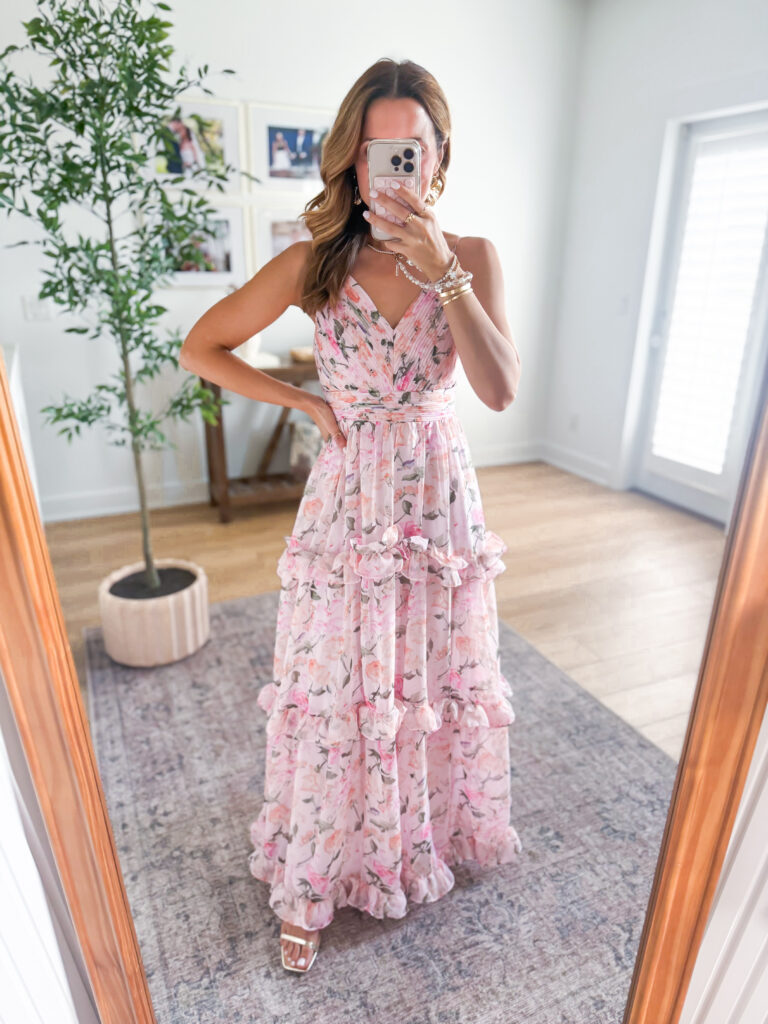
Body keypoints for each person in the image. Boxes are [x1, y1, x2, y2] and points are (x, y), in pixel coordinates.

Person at [179, 57, 523, 974]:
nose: (392, 166)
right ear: (352, 162)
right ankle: (315, 870)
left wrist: (445, 269)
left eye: (409, 148)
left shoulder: (476, 258)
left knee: (430, 674)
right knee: (340, 680)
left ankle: (421, 831)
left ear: (438, 157)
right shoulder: (312, 264)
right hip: (349, 497)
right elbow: (201, 346)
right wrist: (304, 404)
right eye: (375, 150)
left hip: (439, 499)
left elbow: (498, 391)